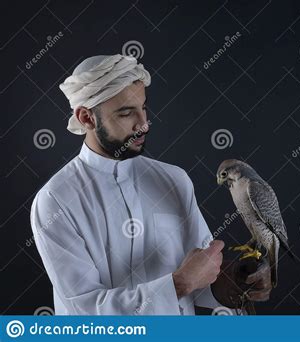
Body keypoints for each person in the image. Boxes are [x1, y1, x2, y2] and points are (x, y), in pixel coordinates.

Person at [30, 54, 271, 315]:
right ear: (87, 118)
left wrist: (234, 281)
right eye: (126, 113)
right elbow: (84, 310)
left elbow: (199, 275)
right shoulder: (56, 200)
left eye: (143, 108)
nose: (143, 123)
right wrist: (178, 284)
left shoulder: (173, 179)